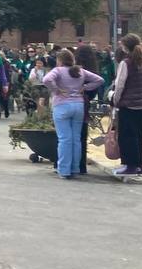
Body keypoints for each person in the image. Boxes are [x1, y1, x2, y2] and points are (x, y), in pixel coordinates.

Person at [41, 49, 104, 179]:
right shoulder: (80, 71)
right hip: (78, 105)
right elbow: (99, 80)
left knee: (64, 139)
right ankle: (75, 168)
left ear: (60, 60)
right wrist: (85, 88)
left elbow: (46, 79)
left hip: (62, 105)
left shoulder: (58, 70)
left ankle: (64, 169)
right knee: (76, 139)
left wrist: (56, 90)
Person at [110, 34, 142, 178]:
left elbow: (120, 85)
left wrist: (115, 100)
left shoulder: (126, 63)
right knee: (138, 135)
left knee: (127, 136)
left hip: (128, 104)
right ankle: (139, 166)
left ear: (126, 47)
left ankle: (129, 166)